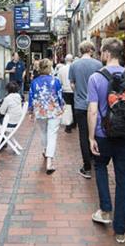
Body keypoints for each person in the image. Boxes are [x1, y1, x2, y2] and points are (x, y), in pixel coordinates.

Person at [87, 38, 125, 244]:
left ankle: (105, 210)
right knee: (123, 181)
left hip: (104, 135)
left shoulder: (96, 78)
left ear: (107, 54)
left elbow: (93, 110)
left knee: (100, 167)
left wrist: (91, 136)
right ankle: (120, 231)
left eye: (101, 51)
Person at [69, 41, 102, 179]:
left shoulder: (74, 65)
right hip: (95, 104)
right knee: (96, 132)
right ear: (91, 50)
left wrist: (79, 92)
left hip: (80, 105)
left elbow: (72, 85)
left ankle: (86, 167)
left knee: (83, 134)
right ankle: (96, 159)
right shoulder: (98, 65)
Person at [28, 58, 65, 174]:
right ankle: (49, 160)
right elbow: (59, 96)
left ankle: (45, 150)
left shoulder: (35, 81)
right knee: (52, 133)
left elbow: (31, 96)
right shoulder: (55, 80)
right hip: (53, 110)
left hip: (40, 110)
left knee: (44, 132)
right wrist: (62, 106)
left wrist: (30, 111)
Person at [56, 54, 75, 133]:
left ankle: (68, 125)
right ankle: (74, 123)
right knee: (74, 107)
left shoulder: (61, 69)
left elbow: (59, 81)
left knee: (67, 108)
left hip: (65, 90)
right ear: (72, 60)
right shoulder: (74, 68)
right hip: (74, 90)